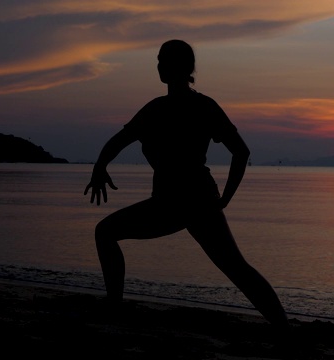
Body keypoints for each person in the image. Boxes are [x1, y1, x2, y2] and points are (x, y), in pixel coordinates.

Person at [84, 39, 289, 331]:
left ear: (183, 68)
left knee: (105, 233)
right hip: (186, 201)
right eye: (158, 60)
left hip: (184, 202)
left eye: (164, 61)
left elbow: (241, 152)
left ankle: (114, 308)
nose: (159, 66)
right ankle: (283, 327)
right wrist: (99, 167)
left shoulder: (192, 107)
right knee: (236, 268)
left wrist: (226, 198)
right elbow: (118, 142)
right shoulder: (164, 108)